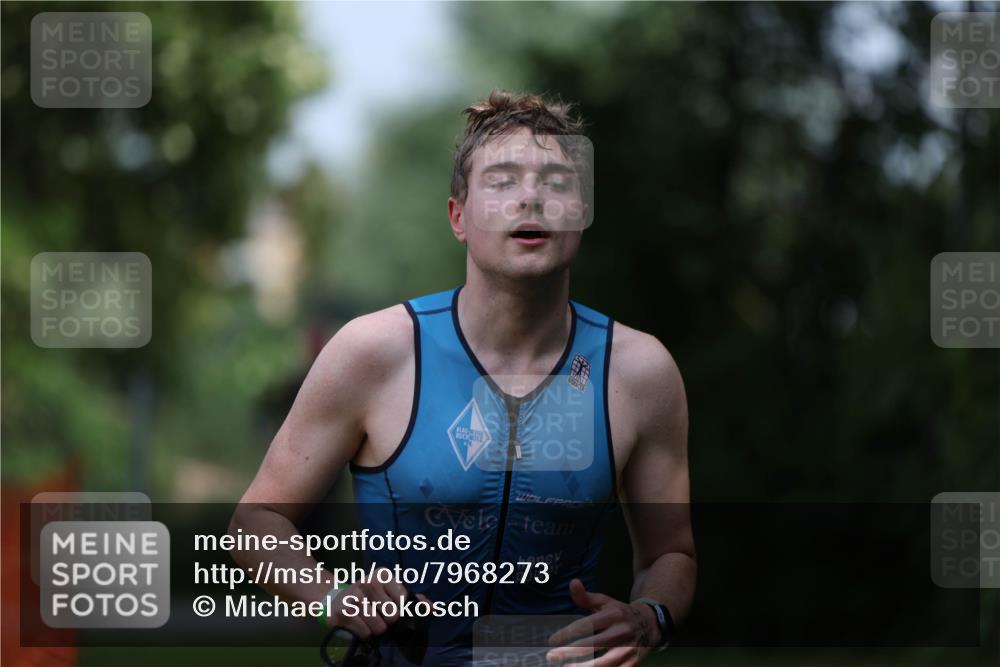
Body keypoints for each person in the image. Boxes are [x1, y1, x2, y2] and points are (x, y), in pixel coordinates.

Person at [231, 89, 696, 666]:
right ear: (458, 217)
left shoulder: (640, 371)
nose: (531, 198)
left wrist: (648, 615)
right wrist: (333, 595)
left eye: (555, 183)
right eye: (503, 182)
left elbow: (670, 555)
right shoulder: (374, 351)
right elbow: (256, 522)